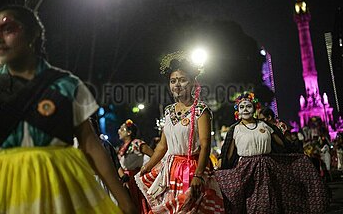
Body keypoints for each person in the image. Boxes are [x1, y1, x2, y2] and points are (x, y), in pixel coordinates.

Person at [0, 5, 137, 214]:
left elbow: (91, 145)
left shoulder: (66, 85)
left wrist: (124, 201)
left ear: (33, 35)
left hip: (58, 186)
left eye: (8, 29)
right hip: (8, 188)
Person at [135, 51, 225, 213]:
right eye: (173, 81)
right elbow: (162, 146)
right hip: (171, 171)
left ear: (192, 84)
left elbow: (205, 145)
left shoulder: (200, 110)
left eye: (183, 80)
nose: (177, 84)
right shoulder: (169, 111)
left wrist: (198, 175)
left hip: (193, 169)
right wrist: (147, 166)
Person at [215, 92, 329, 213]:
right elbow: (228, 153)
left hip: (268, 168)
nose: (245, 109)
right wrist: (222, 167)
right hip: (246, 170)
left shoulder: (264, 125)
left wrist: (299, 154)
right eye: (241, 107)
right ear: (237, 110)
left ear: (254, 108)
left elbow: (283, 144)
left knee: (271, 202)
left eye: (248, 106)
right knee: (250, 203)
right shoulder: (235, 129)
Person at [117, 119, 154, 213]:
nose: (119, 131)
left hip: (134, 179)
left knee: (137, 203)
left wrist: (146, 169)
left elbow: (153, 156)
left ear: (129, 132)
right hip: (125, 179)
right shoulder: (122, 147)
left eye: (122, 129)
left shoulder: (137, 143)